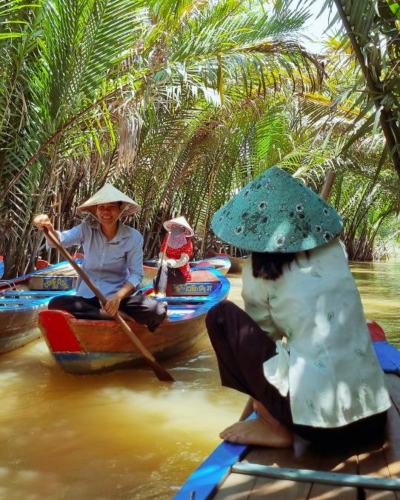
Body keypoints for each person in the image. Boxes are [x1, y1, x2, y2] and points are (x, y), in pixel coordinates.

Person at [206, 166, 391, 449]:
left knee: (221, 316)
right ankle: (272, 418)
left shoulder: (258, 271)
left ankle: (273, 425)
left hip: (318, 429)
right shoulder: (336, 251)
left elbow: (262, 339)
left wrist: (262, 404)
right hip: (372, 420)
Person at [33, 184, 166, 332]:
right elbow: (59, 241)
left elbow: (136, 274)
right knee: (56, 303)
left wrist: (117, 298)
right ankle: (107, 315)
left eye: (111, 207)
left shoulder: (133, 237)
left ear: (120, 209)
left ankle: (110, 312)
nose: (106, 212)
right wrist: (49, 228)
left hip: (118, 298)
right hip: (89, 299)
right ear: (96, 210)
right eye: (101, 207)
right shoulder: (86, 229)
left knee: (157, 310)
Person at [154, 216, 194, 296]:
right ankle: (159, 293)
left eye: (177, 227)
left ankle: (161, 294)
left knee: (163, 270)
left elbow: (184, 259)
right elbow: (163, 252)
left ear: (183, 229)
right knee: (159, 271)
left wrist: (173, 263)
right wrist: (163, 260)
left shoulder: (188, 243)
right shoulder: (167, 237)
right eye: (174, 226)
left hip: (180, 271)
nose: (175, 228)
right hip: (166, 268)